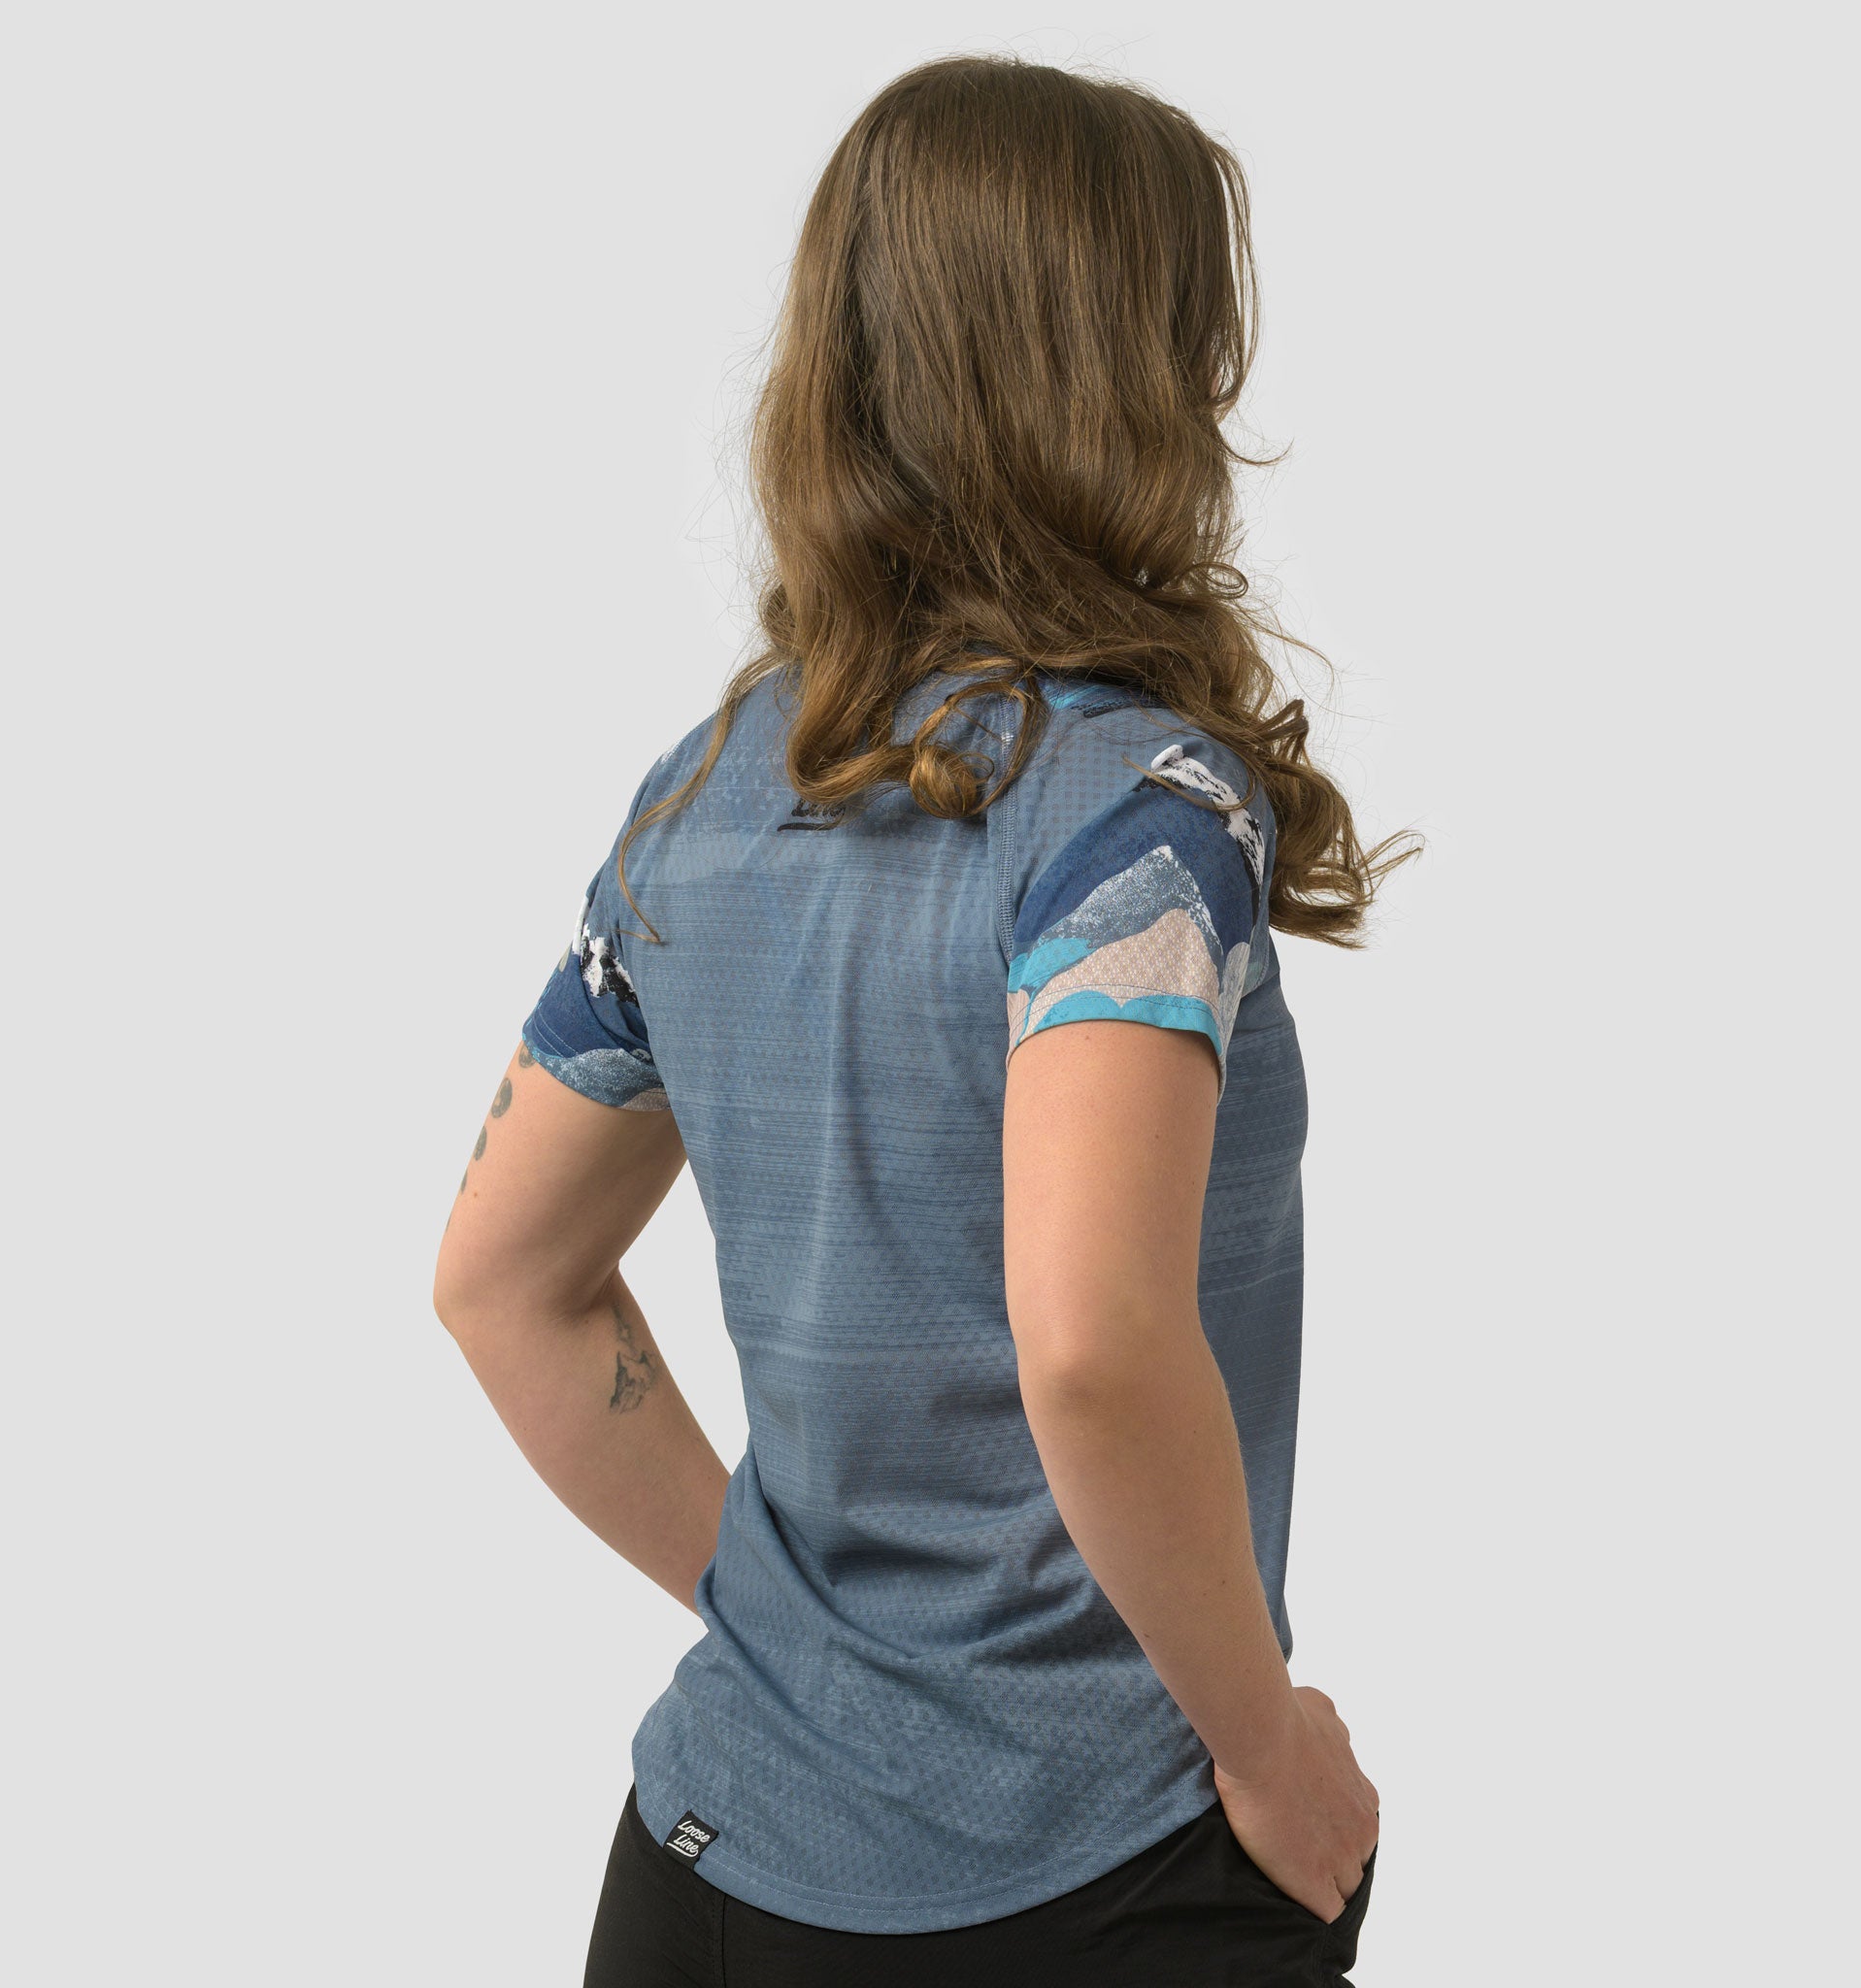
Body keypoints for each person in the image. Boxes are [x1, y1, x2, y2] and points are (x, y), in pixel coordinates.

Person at [432, 52, 1415, 1987]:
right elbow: (1093, 1344)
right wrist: (1264, 1749)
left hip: (702, 1876)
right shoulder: (1143, 816)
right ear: (1121, 375)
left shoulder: (706, 795)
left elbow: (501, 1283)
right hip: (1096, 1874)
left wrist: (795, 1637)